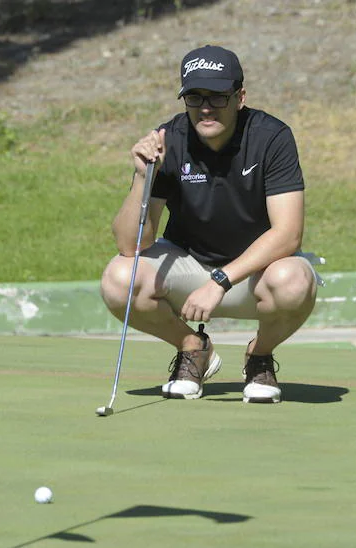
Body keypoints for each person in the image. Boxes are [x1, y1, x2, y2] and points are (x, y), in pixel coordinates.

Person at [100, 44, 318, 404]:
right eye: (195, 97)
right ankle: (193, 348)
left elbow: (288, 234)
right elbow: (131, 245)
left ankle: (259, 356)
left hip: (256, 273)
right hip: (188, 266)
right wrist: (143, 177)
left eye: (217, 97)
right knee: (118, 279)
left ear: (239, 97)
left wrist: (220, 281)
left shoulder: (272, 137)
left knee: (295, 282)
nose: (205, 108)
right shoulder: (169, 140)